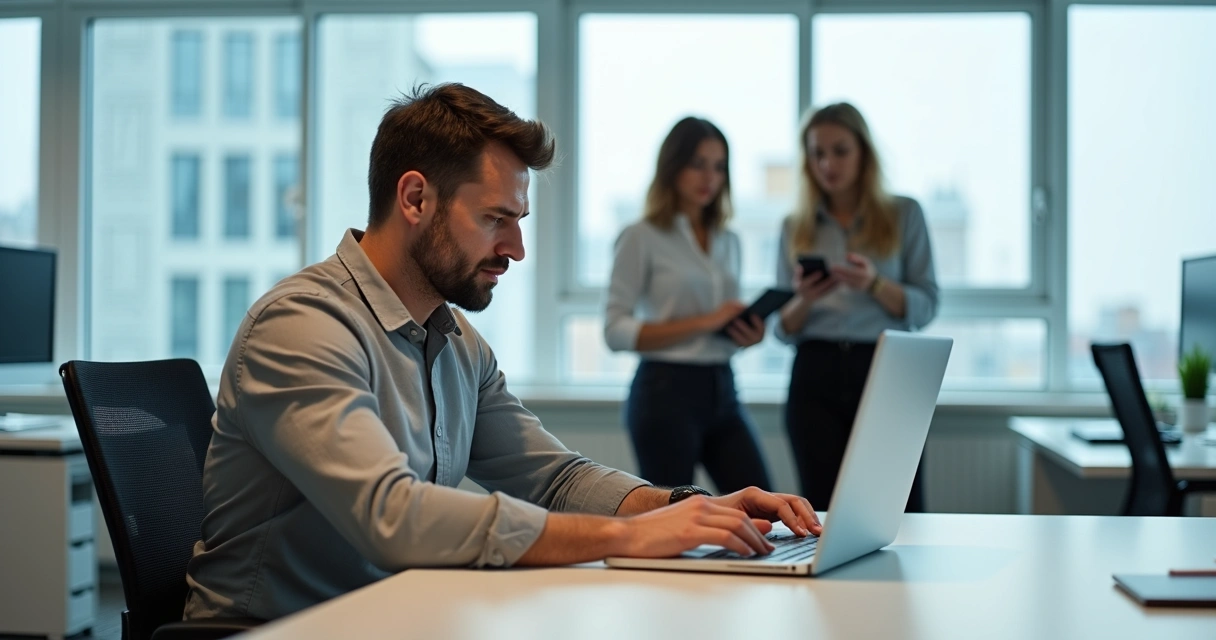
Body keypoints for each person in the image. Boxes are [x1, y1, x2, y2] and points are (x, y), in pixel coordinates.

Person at [183, 84, 821, 622]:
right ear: (415, 199)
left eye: (518, 221)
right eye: (496, 219)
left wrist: (689, 508)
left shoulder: (457, 342)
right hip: (279, 629)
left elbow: (555, 479)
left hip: (394, 615)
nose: (515, 248)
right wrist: (629, 537)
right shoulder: (302, 326)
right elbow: (391, 515)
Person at [774, 102, 939, 513]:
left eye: (840, 150)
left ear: (863, 151)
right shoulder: (795, 225)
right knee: (820, 508)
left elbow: (926, 305)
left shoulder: (904, 214)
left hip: (885, 367)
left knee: (902, 506)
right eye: (818, 153)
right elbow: (781, 327)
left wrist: (875, 284)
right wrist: (805, 299)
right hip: (816, 371)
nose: (828, 163)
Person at [603, 117, 772, 493]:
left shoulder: (729, 240)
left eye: (719, 166)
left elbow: (719, 329)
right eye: (698, 164)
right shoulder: (640, 236)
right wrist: (709, 320)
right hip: (665, 393)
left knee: (764, 507)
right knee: (675, 521)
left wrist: (745, 335)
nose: (709, 177)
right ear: (672, 166)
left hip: (723, 386)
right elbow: (615, 332)